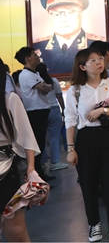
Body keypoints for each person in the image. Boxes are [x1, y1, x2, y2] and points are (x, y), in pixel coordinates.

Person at [64, 48, 109, 242]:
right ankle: (94, 224)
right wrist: (71, 149)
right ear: (82, 66)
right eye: (93, 60)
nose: (99, 62)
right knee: (89, 183)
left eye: (100, 58)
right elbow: (70, 119)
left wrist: (103, 110)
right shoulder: (75, 90)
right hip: (86, 138)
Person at [0, 58, 40, 242]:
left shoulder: (10, 99)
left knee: (16, 230)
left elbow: (27, 136)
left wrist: (31, 169)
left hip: (7, 170)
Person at [33, 0, 102, 74]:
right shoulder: (37, 46)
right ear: (49, 16)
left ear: (82, 14)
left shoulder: (96, 44)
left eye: (70, 12)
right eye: (56, 14)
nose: (63, 19)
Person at [14, 47, 55, 181]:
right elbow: (45, 89)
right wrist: (47, 86)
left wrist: (47, 86)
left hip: (40, 111)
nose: (37, 57)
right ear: (28, 58)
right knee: (37, 144)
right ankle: (36, 174)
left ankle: (40, 173)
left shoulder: (34, 73)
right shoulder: (27, 75)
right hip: (35, 112)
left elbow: (46, 87)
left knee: (41, 144)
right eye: (34, 55)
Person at [36, 63, 67, 172]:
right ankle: (55, 162)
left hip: (41, 110)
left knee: (41, 137)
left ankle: (42, 162)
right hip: (54, 109)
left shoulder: (36, 82)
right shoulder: (53, 81)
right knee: (55, 137)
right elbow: (59, 96)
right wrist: (63, 110)